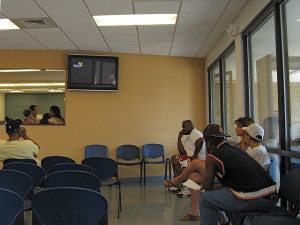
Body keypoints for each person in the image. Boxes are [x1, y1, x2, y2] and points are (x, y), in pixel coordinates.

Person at [170, 120, 205, 196]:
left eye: (184, 127)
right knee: (174, 158)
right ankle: (179, 185)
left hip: (199, 159)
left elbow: (200, 141)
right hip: (189, 157)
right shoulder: (188, 136)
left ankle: (188, 188)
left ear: (190, 126)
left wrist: (195, 154)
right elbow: (182, 152)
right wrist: (179, 137)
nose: (183, 129)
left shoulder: (194, 133)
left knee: (177, 160)